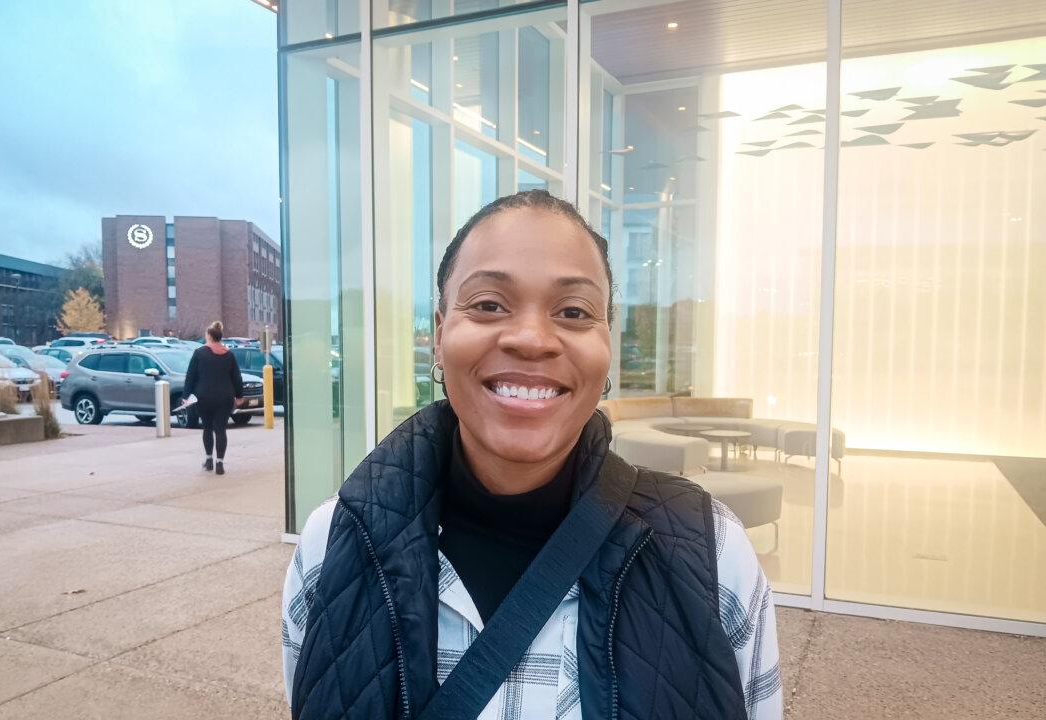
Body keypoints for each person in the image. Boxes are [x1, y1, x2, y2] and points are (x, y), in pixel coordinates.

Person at [282, 190, 780, 719]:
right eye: (489, 304)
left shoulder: (711, 552)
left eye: (573, 311)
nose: (531, 339)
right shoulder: (333, 545)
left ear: (606, 343)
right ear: (439, 333)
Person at [183, 321, 243, 475]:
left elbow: (190, 376)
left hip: (203, 397)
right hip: (224, 398)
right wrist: (239, 396)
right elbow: (237, 377)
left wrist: (186, 396)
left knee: (207, 428)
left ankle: (209, 459)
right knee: (221, 429)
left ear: (209, 336)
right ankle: (220, 463)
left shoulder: (199, 353)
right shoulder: (229, 355)